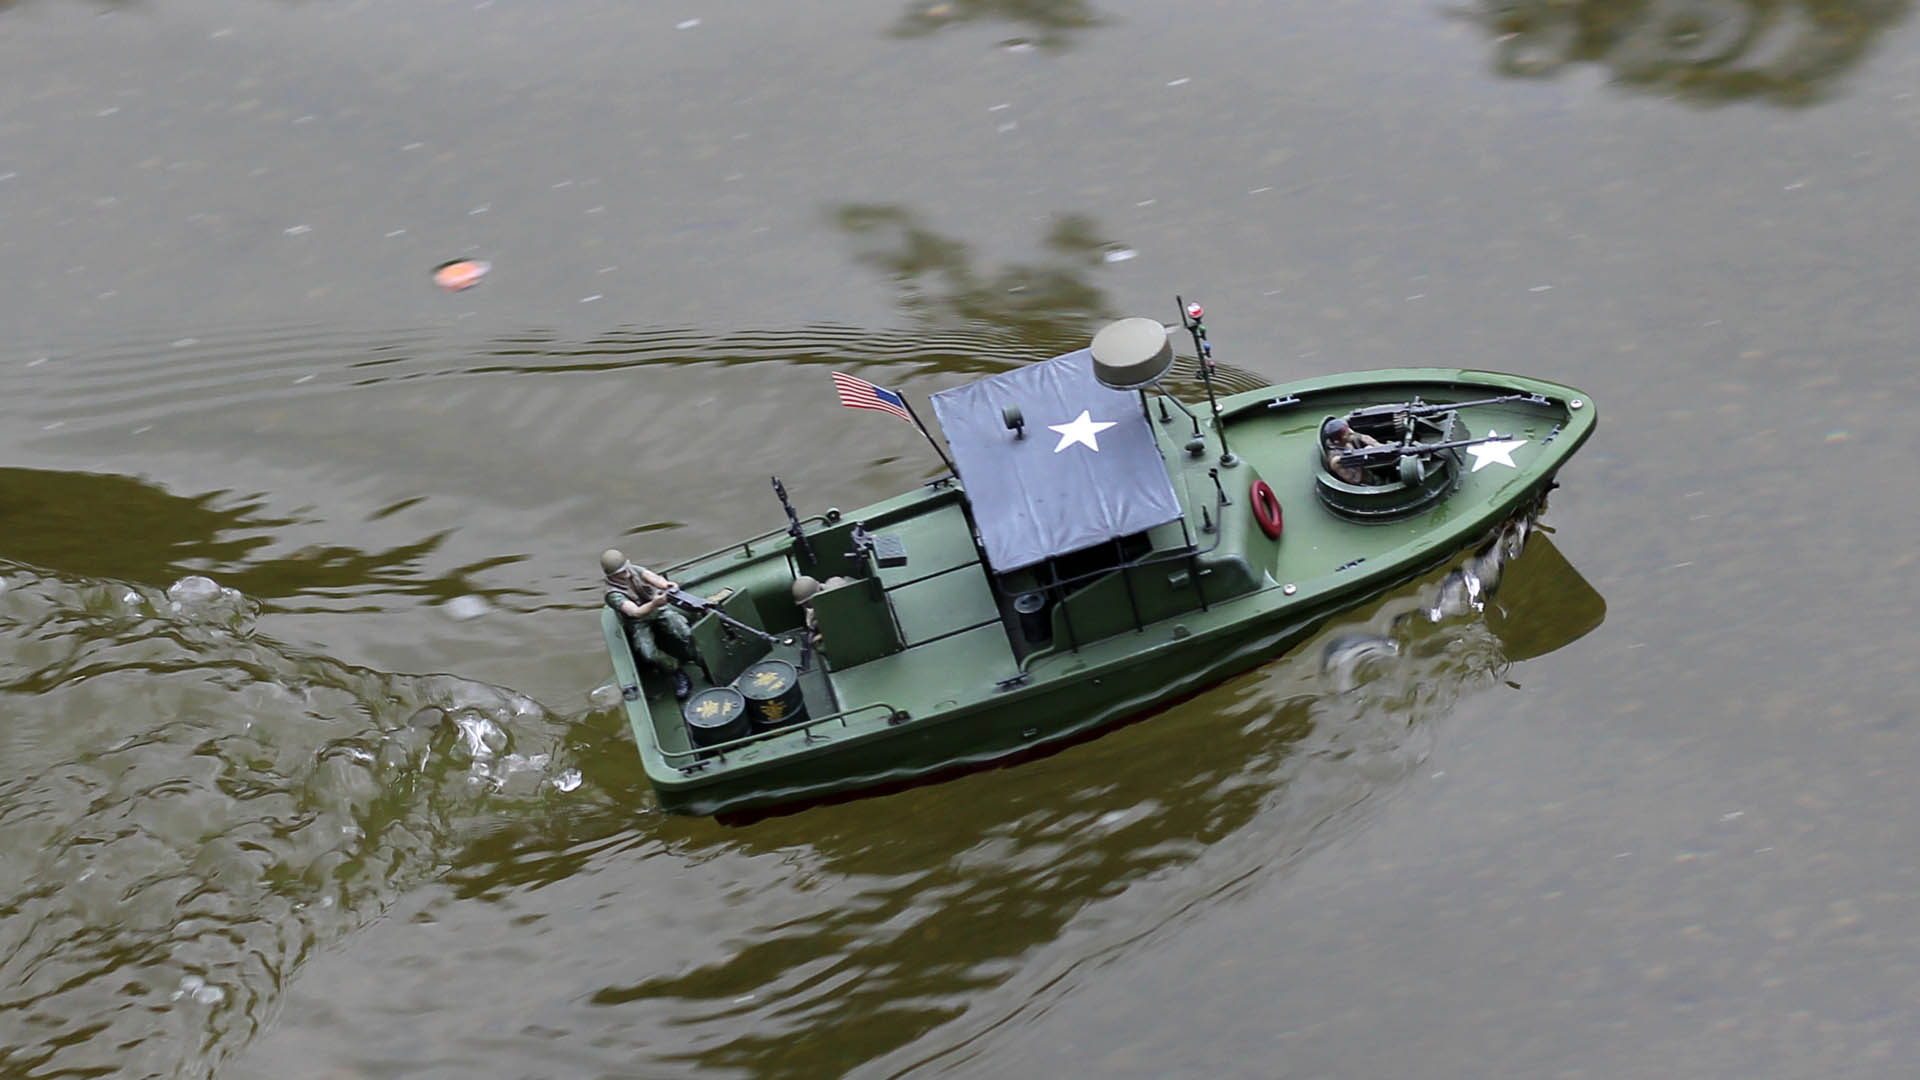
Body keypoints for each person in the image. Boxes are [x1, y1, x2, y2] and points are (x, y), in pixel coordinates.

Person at [601, 548, 697, 699]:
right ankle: (676, 671)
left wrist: (666, 585)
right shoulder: (613, 594)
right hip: (639, 620)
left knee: (683, 629)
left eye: (625, 569)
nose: (626, 574)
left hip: (657, 609)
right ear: (612, 576)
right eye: (620, 573)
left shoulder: (633, 570)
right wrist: (654, 603)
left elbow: (652, 577)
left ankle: (698, 657)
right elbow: (635, 612)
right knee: (648, 653)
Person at [1321, 417, 1384, 485]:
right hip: (1364, 486)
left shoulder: (1344, 440)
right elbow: (1355, 480)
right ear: (1337, 441)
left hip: (1370, 475)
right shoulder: (1336, 461)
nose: (1351, 432)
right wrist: (1363, 455)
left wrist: (1378, 446)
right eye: (1345, 432)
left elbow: (1362, 437)